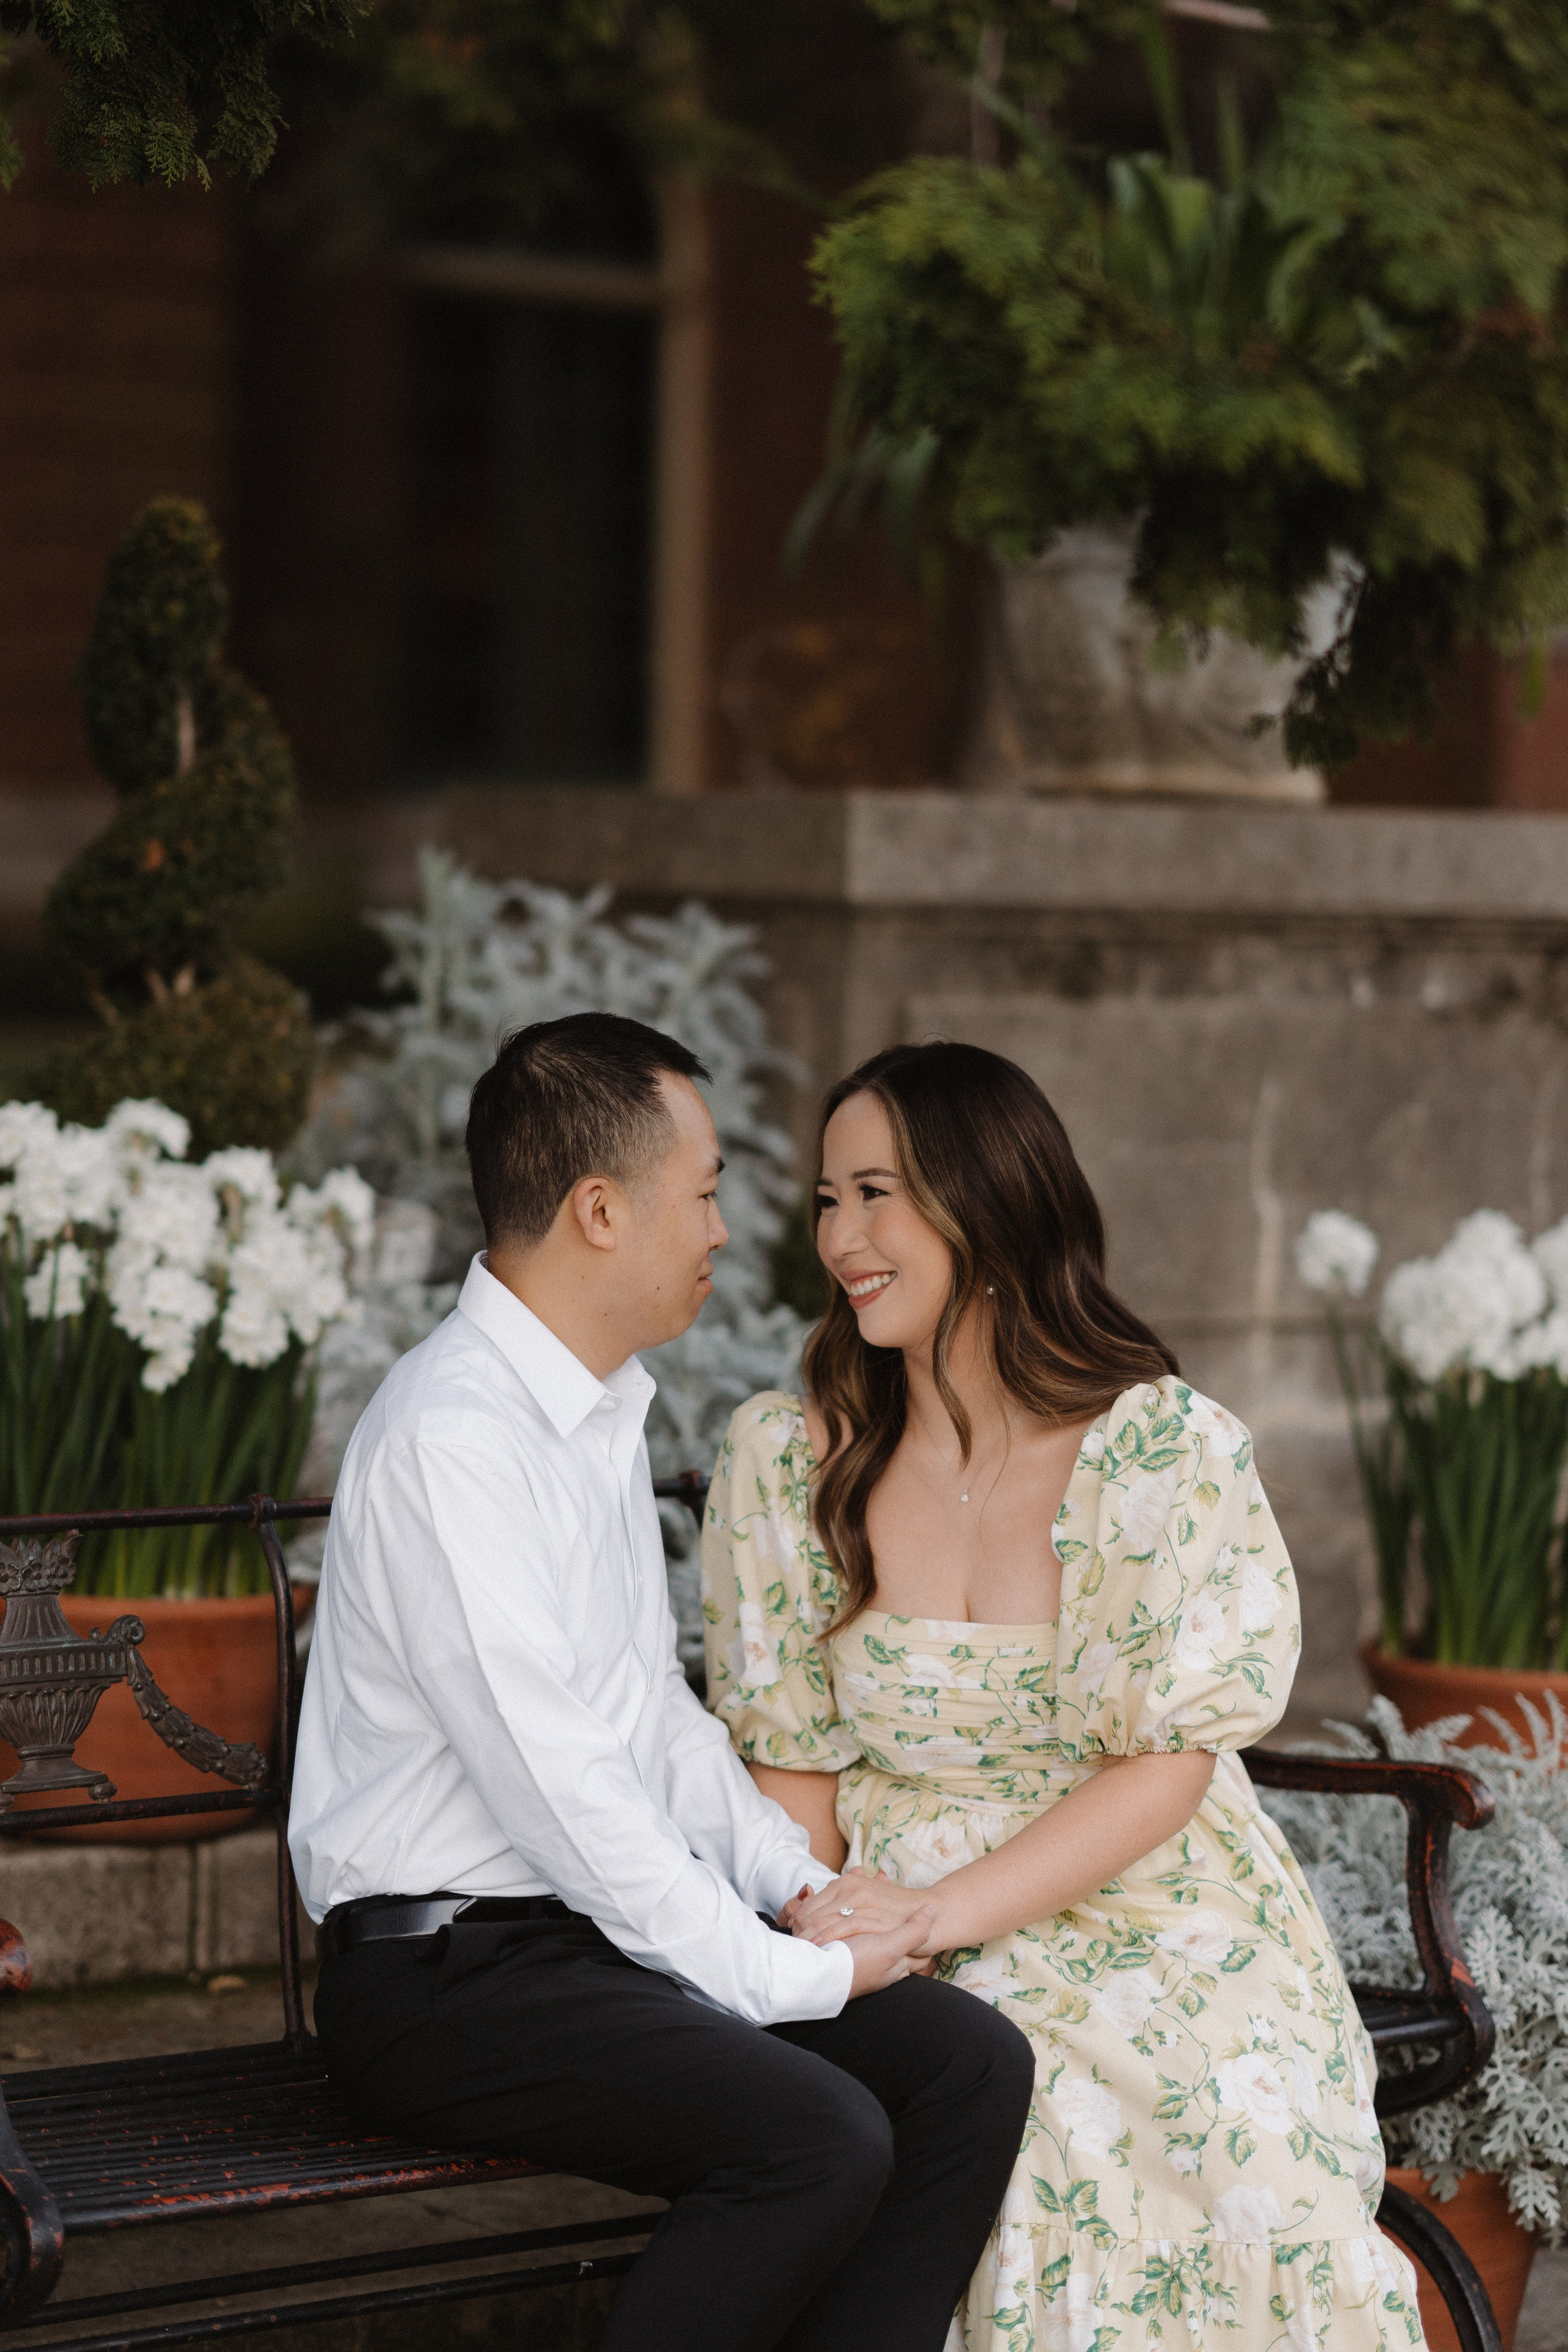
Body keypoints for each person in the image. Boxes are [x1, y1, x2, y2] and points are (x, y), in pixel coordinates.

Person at [289, 1012, 1035, 2352]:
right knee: (813, 2138)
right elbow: (562, 1788)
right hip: (443, 1977)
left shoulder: (590, 1411)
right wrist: (781, 1975)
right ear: (596, 1210)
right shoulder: (452, 1439)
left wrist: (793, 1886)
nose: (724, 1232)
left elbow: (647, 1720)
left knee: (964, 2064)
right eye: (701, 1194)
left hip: (573, 1946)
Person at [703, 1040, 1428, 2352]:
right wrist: (823, 1941)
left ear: (982, 1203)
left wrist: (947, 1912)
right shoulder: (787, 1454)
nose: (840, 1238)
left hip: (1139, 1886)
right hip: (886, 1888)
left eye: (876, 1193)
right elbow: (786, 1762)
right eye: (825, 1199)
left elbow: (1164, 1769)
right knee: (1007, 2142)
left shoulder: (1155, 1448)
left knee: (1239, 2160)